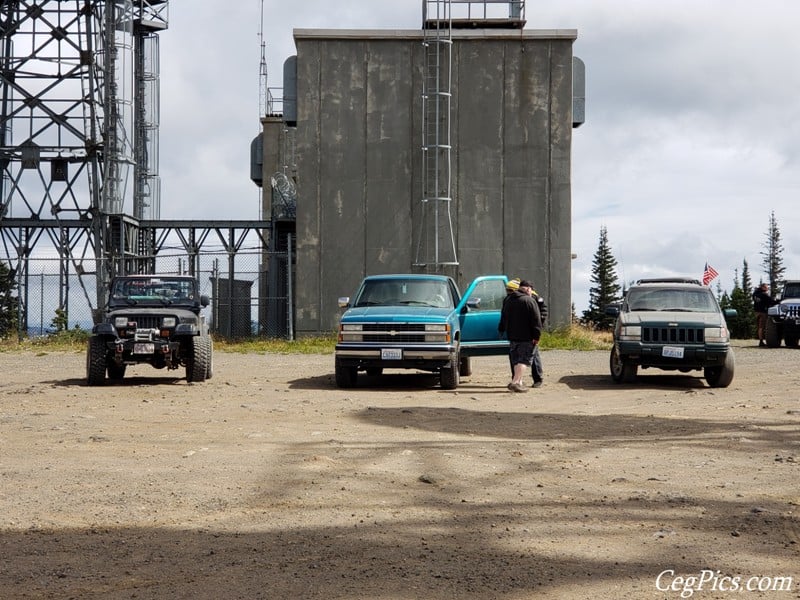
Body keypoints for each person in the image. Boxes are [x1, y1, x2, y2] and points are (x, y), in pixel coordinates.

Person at [498, 279, 542, 392]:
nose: (532, 293)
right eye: (531, 290)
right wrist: (537, 336)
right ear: (527, 289)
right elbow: (536, 320)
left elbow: (503, 316)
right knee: (524, 360)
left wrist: (502, 329)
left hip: (512, 336)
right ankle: (515, 382)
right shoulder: (529, 301)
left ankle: (518, 381)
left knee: (516, 360)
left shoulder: (508, 300)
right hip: (526, 337)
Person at [520, 281, 546, 387]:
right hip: (521, 331)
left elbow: (543, 312)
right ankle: (517, 379)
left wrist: (538, 327)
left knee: (534, 355)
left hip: (533, 331)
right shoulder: (518, 299)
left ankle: (538, 379)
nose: (527, 290)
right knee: (517, 356)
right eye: (524, 288)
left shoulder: (536, 299)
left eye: (528, 288)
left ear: (531, 288)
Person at [752, 282, 776, 347]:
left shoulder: (755, 294)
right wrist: (778, 301)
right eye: (766, 287)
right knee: (762, 327)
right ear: (762, 287)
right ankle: (761, 341)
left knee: (759, 327)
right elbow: (772, 301)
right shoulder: (764, 295)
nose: (767, 288)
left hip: (756, 312)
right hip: (763, 312)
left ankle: (761, 340)